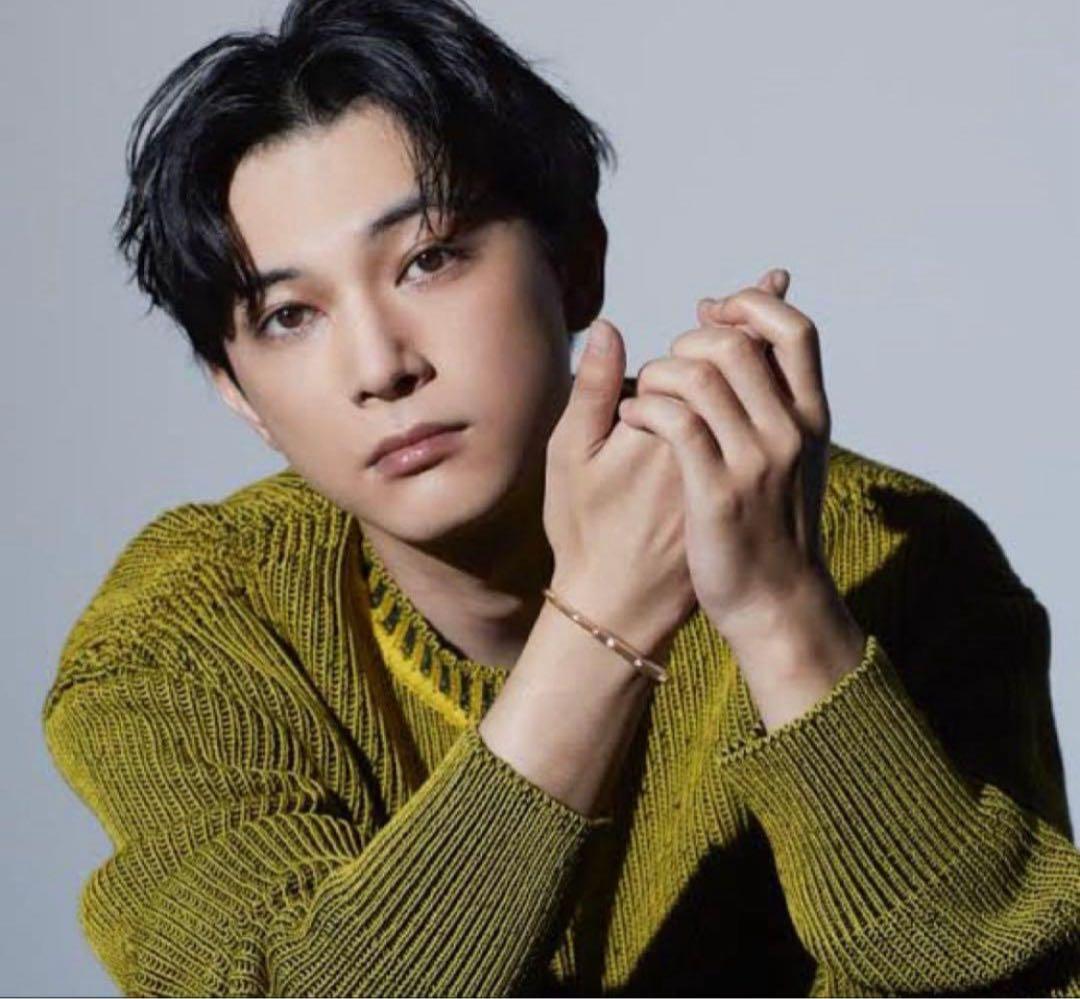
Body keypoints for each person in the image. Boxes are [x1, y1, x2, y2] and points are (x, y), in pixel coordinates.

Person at [42, 0, 1080, 995]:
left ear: (575, 264)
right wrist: (602, 622)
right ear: (238, 393)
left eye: (429, 259)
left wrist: (782, 613)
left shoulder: (884, 553)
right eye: (288, 316)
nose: (380, 366)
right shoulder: (185, 634)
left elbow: (1012, 981)